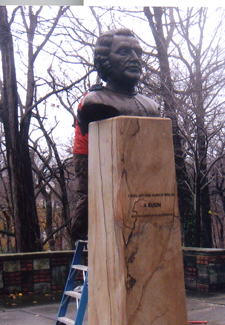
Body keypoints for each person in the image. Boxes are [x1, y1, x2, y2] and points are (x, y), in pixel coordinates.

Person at [70, 28, 160, 242]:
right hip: (94, 161)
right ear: (105, 61)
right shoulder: (95, 101)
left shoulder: (151, 106)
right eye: (124, 52)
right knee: (89, 201)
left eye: (138, 53)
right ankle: (80, 237)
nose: (135, 59)